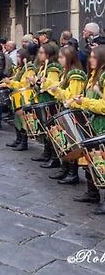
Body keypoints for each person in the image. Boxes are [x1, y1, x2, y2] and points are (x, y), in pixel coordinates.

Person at [42, 45, 86, 185]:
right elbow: (60, 86)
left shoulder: (75, 74)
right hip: (64, 110)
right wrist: (50, 84)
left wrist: (57, 91)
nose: (59, 60)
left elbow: (72, 97)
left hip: (72, 112)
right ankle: (65, 169)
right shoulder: (66, 72)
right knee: (64, 142)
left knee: (71, 142)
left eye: (61, 57)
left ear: (69, 58)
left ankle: (73, 173)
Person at [72, 45, 105, 214]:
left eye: (93, 57)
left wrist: (84, 102)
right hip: (91, 122)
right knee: (89, 159)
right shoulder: (93, 76)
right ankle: (92, 193)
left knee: (102, 161)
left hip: (102, 124)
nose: (90, 59)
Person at [30, 43, 63, 168]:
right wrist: (35, 82)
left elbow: (52, 87)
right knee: (45, 128)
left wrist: (41, 83)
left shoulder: (52, 68)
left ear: (48, 54)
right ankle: (46, 153)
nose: (39, 55)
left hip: (49, 101)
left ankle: (54, 157)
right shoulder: (44, 66)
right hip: (42, 100)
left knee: (51, 129)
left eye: (42, 53)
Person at [1, 48, 36, 151]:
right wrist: (5, 83)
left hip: (23, 97)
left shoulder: (28, 69)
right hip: (16, 96)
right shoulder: (19, 69)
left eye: (18, 56)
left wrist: (10, 83)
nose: (16, 58)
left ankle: (24, 142)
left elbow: (24, 85)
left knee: (22, 120)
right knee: (17, 119)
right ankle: (18, 139)